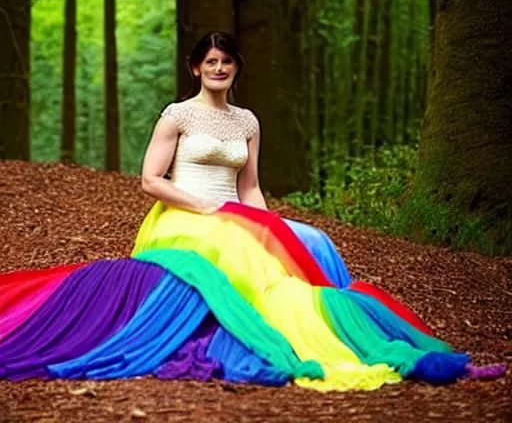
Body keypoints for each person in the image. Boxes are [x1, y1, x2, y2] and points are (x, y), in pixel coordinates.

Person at [0, 32, 505, 389]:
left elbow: (252, 187)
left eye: (227, 61)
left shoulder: (247, 121)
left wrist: (269, 226)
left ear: (236, 67)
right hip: (184, 213)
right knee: (224, 249)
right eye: (210, 62)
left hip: (235, 212)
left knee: (312, 242)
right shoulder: (177, 115)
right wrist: (201, 205)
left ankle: (325, 324)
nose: (218, 69)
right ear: (196, 68)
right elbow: (151, 181)